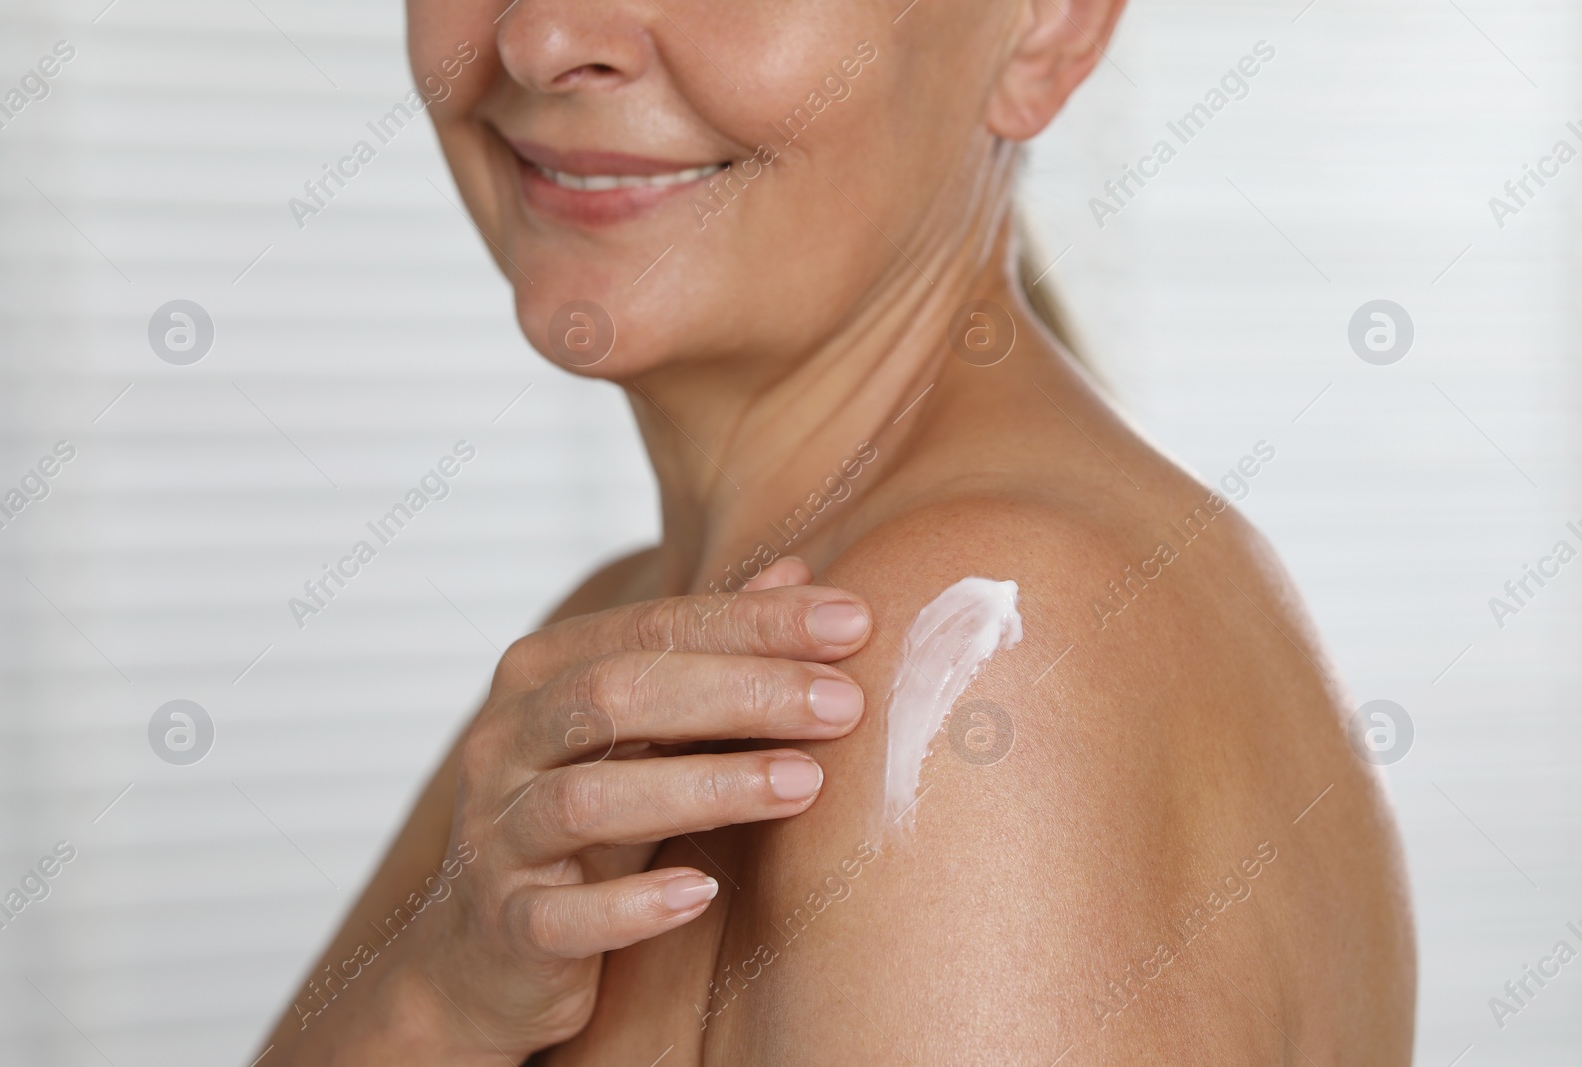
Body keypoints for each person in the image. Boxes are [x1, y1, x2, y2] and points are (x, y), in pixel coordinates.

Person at [262, 0, 1415, 1061]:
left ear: (1045, 30)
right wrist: (428, 1006)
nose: (543, 37)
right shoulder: (610, 646)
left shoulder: (981, 654)